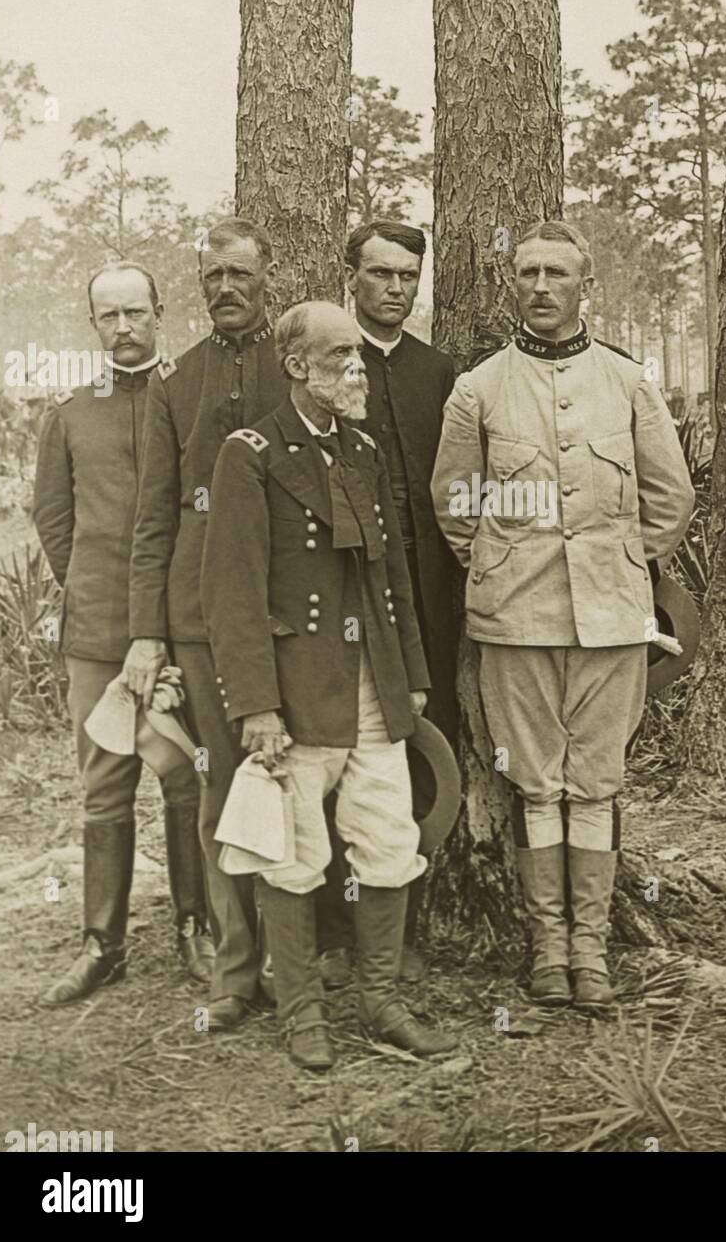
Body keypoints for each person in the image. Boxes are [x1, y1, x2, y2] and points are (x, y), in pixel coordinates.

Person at [431, 220, 694, 1009]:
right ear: (512, 283)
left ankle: (594, 952)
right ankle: (549, 951)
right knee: (537, 788)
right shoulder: (479, 388)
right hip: (516, 617)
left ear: (586, 285)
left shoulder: (628, 383)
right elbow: (455, 503)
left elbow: (670, 498)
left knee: (599, 784)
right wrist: (502, 564)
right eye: (527, 273)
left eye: (557, 274)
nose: (541, 287)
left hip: (614, 620)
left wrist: (617, 563)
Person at [200, 301, 458, 1068]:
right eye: (340, 356)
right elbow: (233, 594)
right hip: (297, 689)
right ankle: (303, 1012)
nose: (357, 368)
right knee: (294, 856)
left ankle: (381, 1002)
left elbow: (392, 578)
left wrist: (411, 675)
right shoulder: (248, 454)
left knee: (387, 842)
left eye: (358, 355)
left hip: (372, 687)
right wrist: (255, 706)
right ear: (297, 367)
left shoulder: (363, 449)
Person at [34, 262, 213, 1006]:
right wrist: (100, 596)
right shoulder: (71, 413)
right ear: (93, 324)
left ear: (159, 311)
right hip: (100, 635)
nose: (124, 328)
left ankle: (196, 929)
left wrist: (168, 619)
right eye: (107, 317)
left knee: (184, 778)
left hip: (182, 630)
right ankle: (101, 945)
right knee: (105, 787)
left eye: (135, 313)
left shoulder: (192, 399)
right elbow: (53, 520)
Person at [123, 218, 286, 1031]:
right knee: (222, 788)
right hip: (197, 617)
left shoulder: (294, 364)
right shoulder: (174, 382)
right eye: (212, 275)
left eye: (239, 275)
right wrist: (149, 631)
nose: (225, 289)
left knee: (299, 780)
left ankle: (303, 960)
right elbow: (153, 518)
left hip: (291, 614)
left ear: (267, 276)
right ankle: (234, 970)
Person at [313, 220, 460, 989]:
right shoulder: (326, 366)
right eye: (380, 274)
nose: (395, 288)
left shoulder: (441, 373)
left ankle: (407, 923)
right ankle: (340, 931)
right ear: (353, 277)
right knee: (347, 754)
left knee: (425, 758)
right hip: (348, 601)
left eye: (408, 275)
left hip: (430, 601)